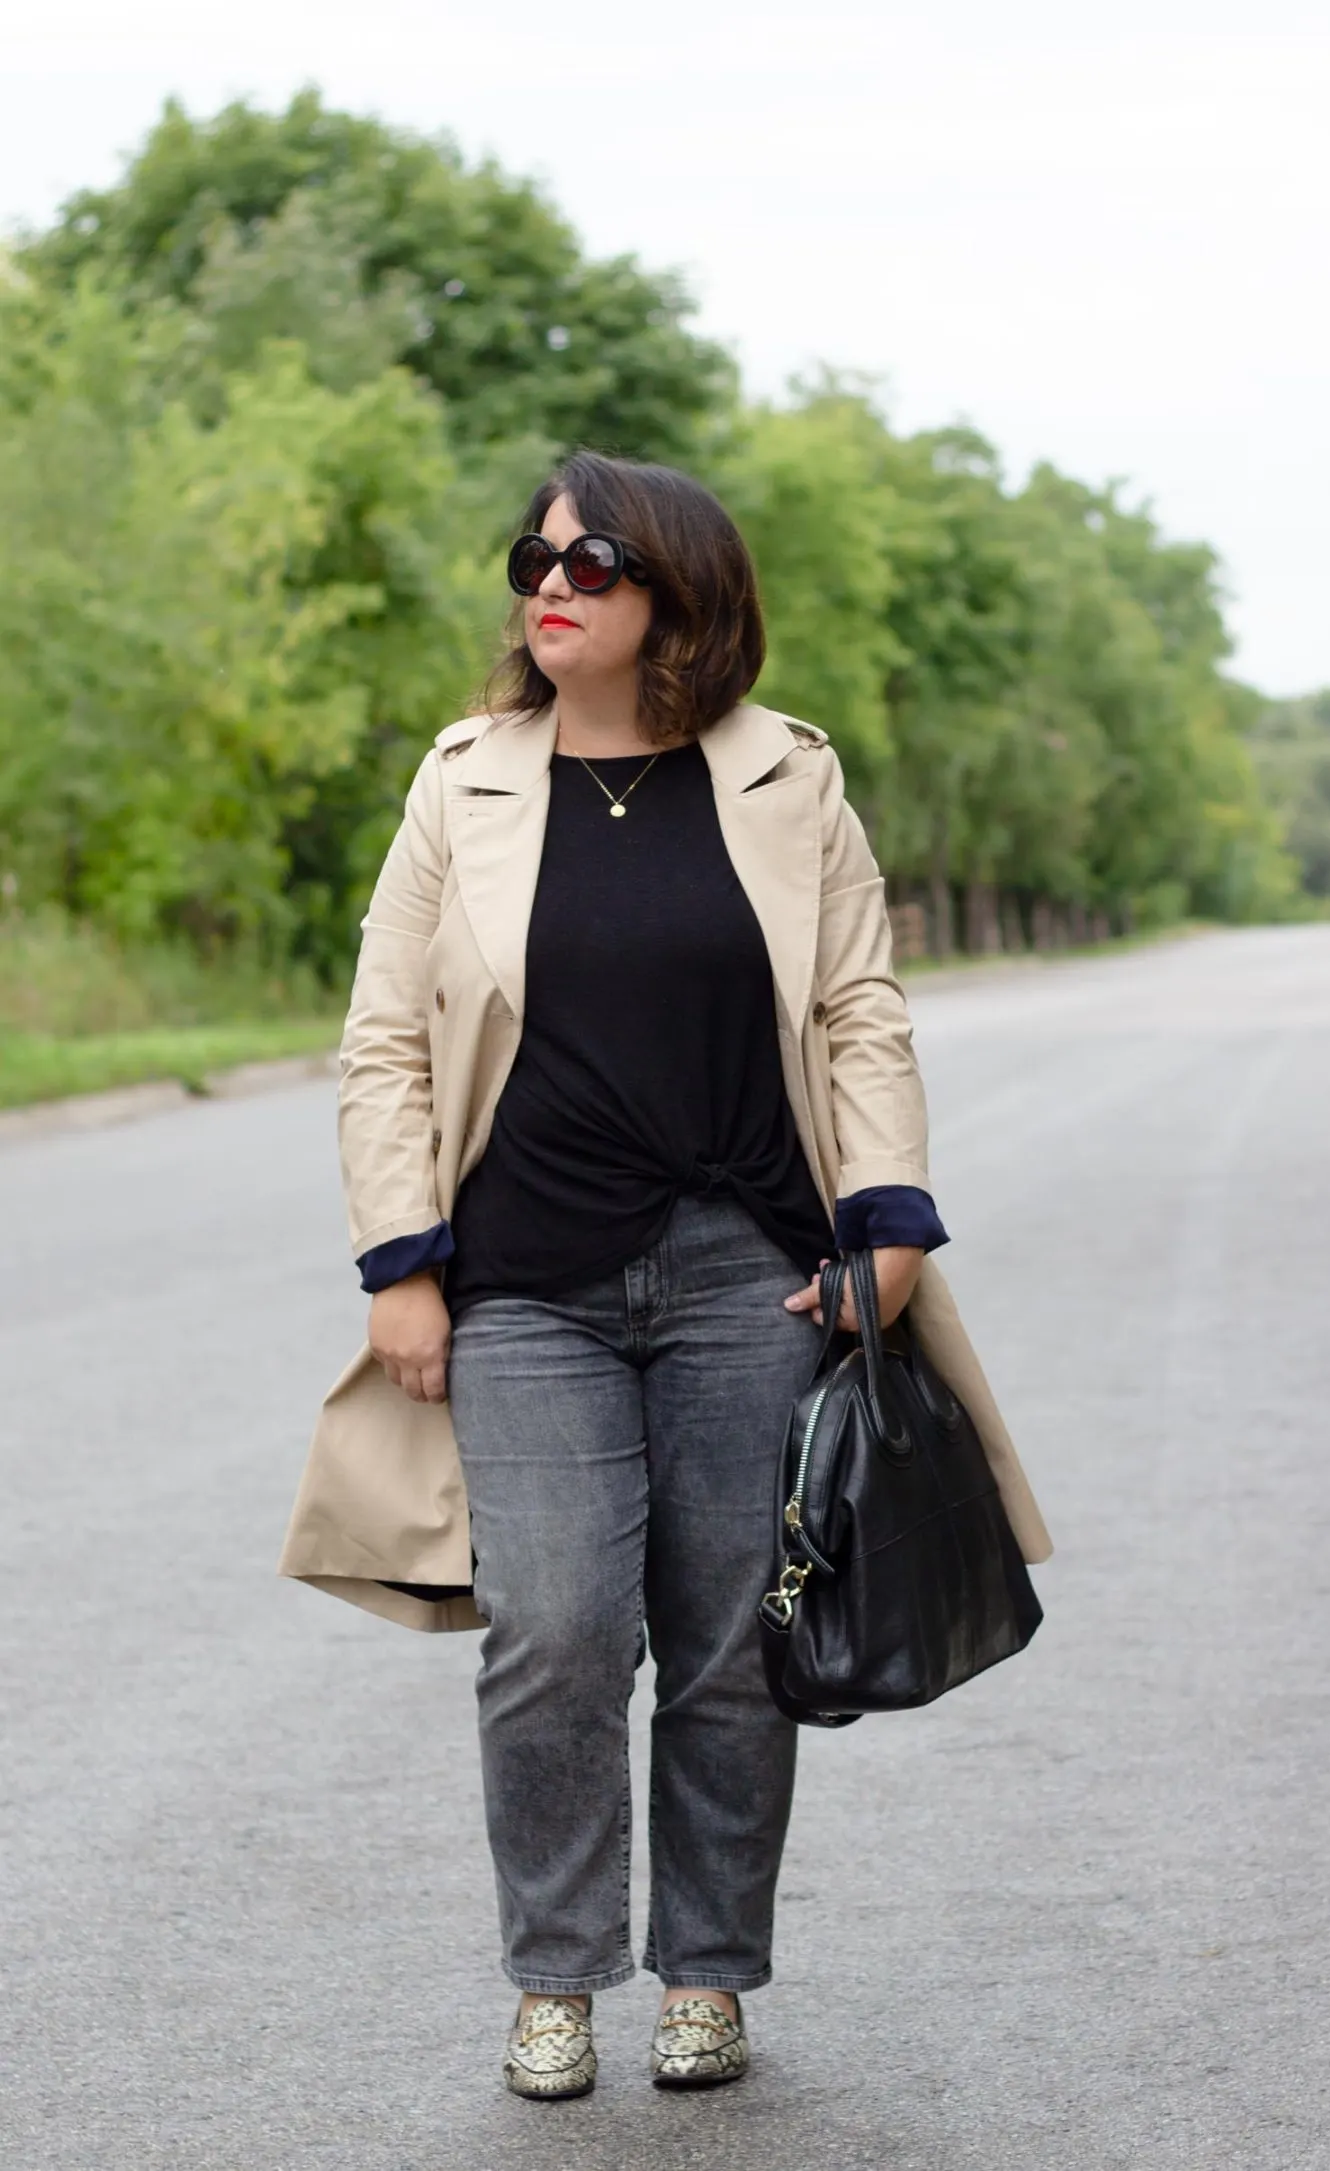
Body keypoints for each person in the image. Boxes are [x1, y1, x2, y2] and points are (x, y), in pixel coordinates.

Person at [279, 451, 1051, 2101]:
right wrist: (400, 1257)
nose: (547, 585)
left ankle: (706, 1969)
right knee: (553, 1626)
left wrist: (890, 1218)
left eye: (592, 560)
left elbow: (856, 1005)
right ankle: (557, 1975)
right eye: (532, 559)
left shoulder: (787, 777)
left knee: (721, 1639)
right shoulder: (464, 780)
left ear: (679, 591)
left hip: (746, 1270)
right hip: (525, 1277)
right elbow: (384, 1042)